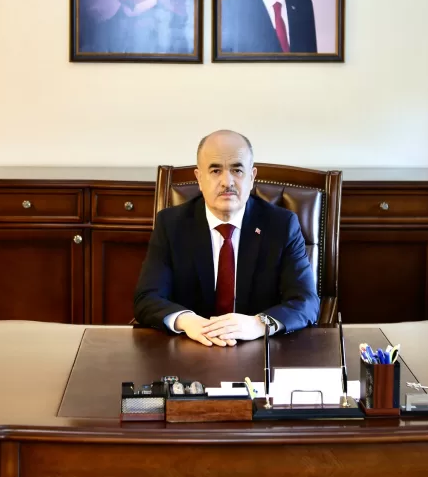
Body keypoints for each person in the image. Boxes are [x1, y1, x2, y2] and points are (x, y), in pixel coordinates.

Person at [133, 130, 319, 346]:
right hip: (191, 348)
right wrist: (187, 321)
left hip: (259, 349)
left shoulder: (281, 225)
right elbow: (147, 298)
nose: (226, 181)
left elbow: (306, 302)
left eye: (237, 170)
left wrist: (259, 324)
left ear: (252, 177)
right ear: (199, 178)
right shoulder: (171, 225)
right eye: (215, 171)